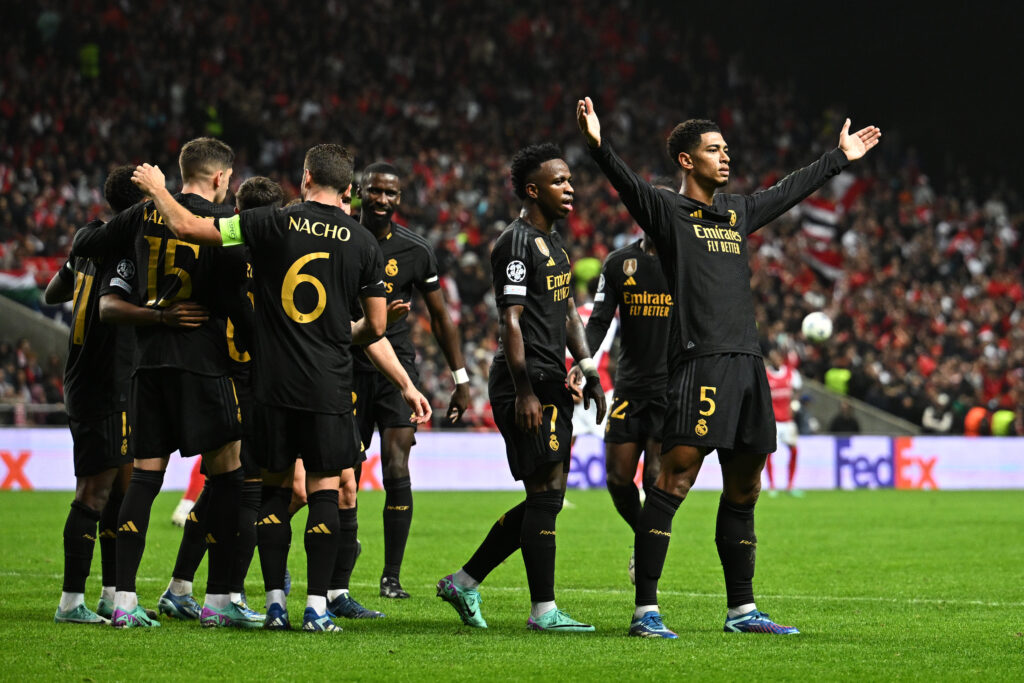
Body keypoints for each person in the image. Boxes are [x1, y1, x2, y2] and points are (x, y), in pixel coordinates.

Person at [578, 95, 880, 637]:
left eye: (726, 149)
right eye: (714, 150)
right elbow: (628, 185)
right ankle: (646, 610)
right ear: (687, 161)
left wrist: (837, 158)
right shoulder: (669, 213)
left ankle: (742, 610)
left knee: (745, 490)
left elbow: (786, 194)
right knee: (672, 481)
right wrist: (599, 146)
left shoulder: (737, 212)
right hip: (702, 364)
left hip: (749, 365)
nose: (726, 156)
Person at [131, 143, 430, 633]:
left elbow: (187, 228)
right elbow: (375, 327)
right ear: (350, 190)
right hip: (330, 387)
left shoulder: (270, 222)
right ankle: (315, 608)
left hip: (270, 386)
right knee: (325, 492)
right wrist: (367, 355)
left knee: (266, 493)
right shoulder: (363, 243)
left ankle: (272, 604)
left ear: (306, 176)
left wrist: (160, 191)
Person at [72, 138, 249, 629]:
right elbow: (239, 293)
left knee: (145, 479)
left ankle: (124, 601)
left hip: (147, 365)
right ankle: (217, 600)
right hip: (205, 364)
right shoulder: (224, 226)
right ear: (219, 178)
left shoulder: (140, 216)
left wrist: (154, 310)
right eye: (228, 179)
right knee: (229, 476)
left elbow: (85, 246)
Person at [436, 143, 606, 632]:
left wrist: (589, 368)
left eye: (571, 180)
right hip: (526, 383)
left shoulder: (555, 245)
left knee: (545, 496)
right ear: (533, 190)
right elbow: (510, 321)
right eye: (559, 181)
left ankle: (465, 582)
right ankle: (542, 611)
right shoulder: (515, 243)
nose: (570, 188)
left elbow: (570, 314)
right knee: (546, 494)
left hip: (553, 380)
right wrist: (526, 390)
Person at [137, 176, 283, 626]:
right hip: (250, 383)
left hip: (228, 374)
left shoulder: (230, 247)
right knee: (249, 489)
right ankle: (226, 595)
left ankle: (182, 587)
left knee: (234, 489)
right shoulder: (269, 250)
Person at [352, 162, 470, 599]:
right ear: (360, 192)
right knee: (345, 469)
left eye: (392, 194)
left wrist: (461, 379)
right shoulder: (343, 239)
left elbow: (441, 317)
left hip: (396, 367)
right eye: (375, 191)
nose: (383, 200)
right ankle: (345, 549)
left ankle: (391, 576)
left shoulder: (416, 250)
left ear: (400, 199)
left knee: (397, 465)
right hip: (346, 364)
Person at [45, 166, 147, 624]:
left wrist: (77, 268)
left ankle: (110, 594)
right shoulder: (126, 247)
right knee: (94, 491)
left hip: (98, 377)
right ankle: (70, 602)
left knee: (120, 492)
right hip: (105, 380)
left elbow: (52, 293)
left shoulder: (91, 237)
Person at [584, 232, 672, 582]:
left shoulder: (686, 260)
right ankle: (643, 534)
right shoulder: (619, 263)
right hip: (630, 388)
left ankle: (646, 557)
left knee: (654, 478)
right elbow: (599, 321)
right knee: (618, 479)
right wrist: (583, 361)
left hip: (671, 389)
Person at [764, 348, 803, 496]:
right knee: (769, 453)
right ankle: (772, 486)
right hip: (772, 421)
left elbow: (798, 390)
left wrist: (795, 403)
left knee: (794, 450)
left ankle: (790, 485)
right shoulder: (766, 374)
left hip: (788, 420)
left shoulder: (790, 373)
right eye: (773, 357)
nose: (776, 360)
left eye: (778, 357)